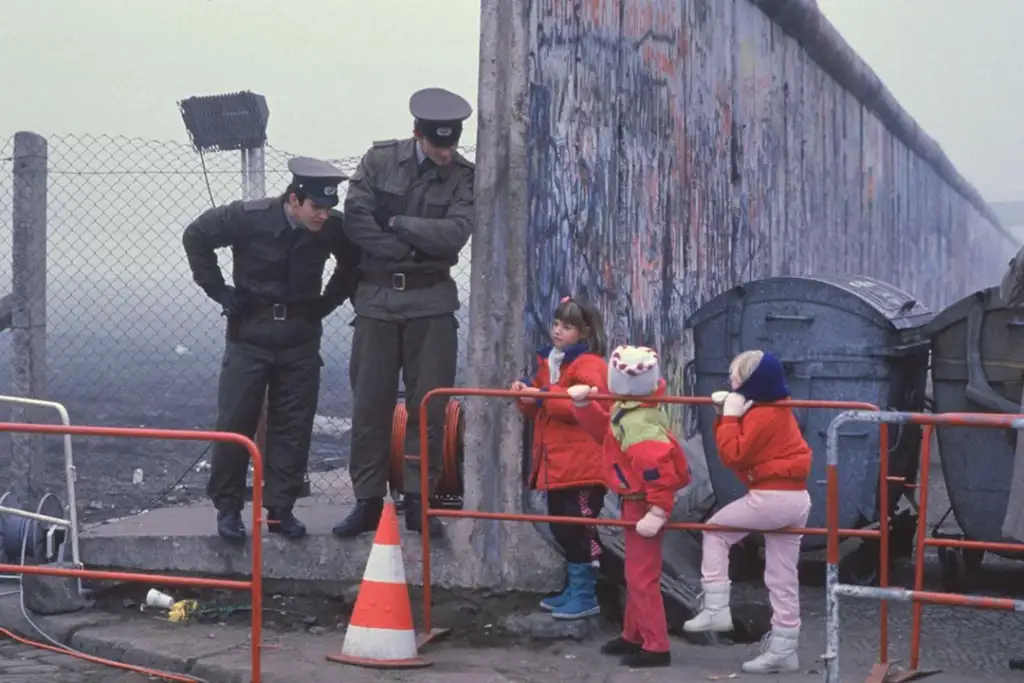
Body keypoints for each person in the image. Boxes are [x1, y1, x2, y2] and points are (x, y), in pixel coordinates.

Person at [182, 157, 360, 544]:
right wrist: (219, 291)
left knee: (293, 425)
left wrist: (326, 303)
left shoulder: (331, 227)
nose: (323, 216)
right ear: (294, 199)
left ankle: (281, 509)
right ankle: (228, 510)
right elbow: (195, 236)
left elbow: (352, 262)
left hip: (300, 338)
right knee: (235, 421)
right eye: (316, 207)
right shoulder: (249, 217)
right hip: (250, 336)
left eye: (328, 208)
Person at [332, 87, 475, 539]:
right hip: (377, 301)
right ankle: (368, 501)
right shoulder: (379, 161)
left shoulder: (464, 176)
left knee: (427, 406)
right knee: (370, 406)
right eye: (438, 145)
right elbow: (355, 218)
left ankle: (419, 499)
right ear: (418, 134)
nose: (446, 154)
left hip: (431, 302)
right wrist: (403, 246)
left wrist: (395, 222)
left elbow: (454, 234)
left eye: (452, 145)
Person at [682, 350, 812, 675]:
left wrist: (727, 417)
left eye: (737, 377)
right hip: (795, 498)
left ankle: (715, 607)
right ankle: (785, 647)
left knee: (714, 531)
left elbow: (733, 455)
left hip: (772, 497)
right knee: (782, 576)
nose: (732, 382)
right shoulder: (777, 409)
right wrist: (727, 415)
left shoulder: (761, 413)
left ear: (751, 382)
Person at [567, 345, 692, 668]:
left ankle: (656, 645)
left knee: (642, 577)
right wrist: (584, 405)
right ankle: (634, 635)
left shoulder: (637, 422)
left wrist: (658, 510)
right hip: (637, 500)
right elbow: (607, 435)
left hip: (643, 503)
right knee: (637, 572)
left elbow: (657, 470)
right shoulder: (633, 408)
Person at [512, 296, 609, 620]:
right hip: (559, 463)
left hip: (582, 465)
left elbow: (581, 407)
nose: (557, 331)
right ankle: (575, 588)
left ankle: (586, 594)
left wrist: (541, 397)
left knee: (577, 528)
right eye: (556, 324)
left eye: (566, 326)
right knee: (561, 526)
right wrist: (525, 395)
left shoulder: (590, 365)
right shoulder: (551, 363)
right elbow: (540, 407)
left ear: (584, 332)